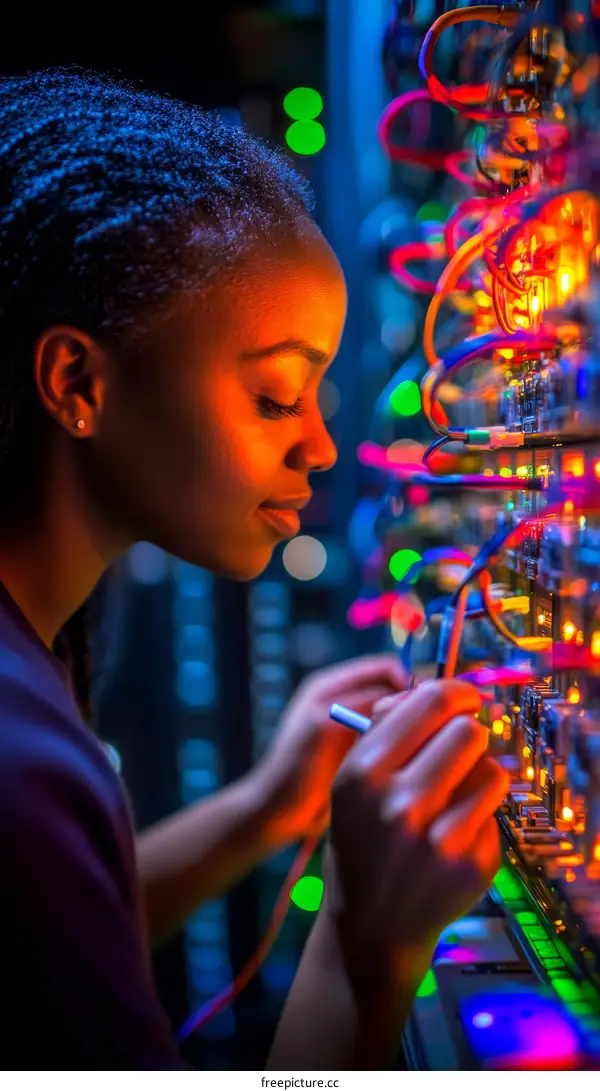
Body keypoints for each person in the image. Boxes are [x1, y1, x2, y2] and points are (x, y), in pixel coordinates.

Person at [0, 69, 508, 1070]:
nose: (321, 446)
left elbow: (60, 945)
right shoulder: (22, 764)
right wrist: (362, 941)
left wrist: (267, 805)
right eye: (277, 397)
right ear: (77, 381)